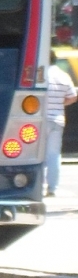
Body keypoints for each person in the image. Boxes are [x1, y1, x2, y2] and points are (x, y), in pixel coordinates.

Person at [45, 51, 77, 196]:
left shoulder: (40, 74)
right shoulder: (63, 76)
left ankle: (36, 186)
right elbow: (73, 96)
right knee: (54, 154)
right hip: (58, 120)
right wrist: (60, 103)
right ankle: (52, 188)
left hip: (39, 120)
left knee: (36, 154)